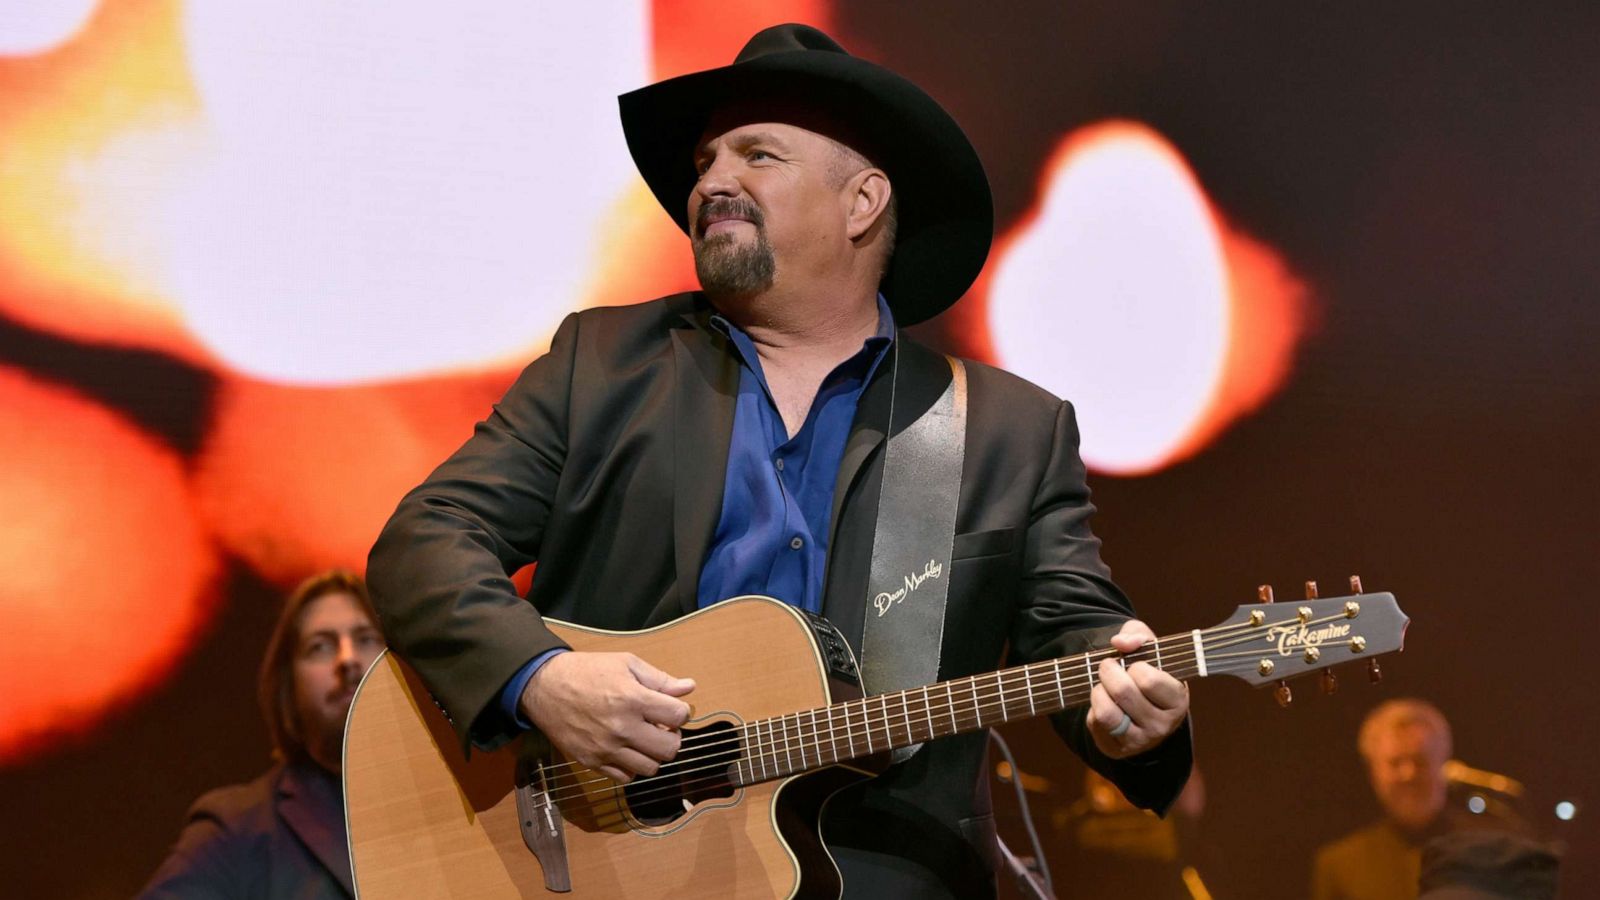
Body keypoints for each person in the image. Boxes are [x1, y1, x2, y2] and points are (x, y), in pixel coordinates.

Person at [367, 23, 1192, 898]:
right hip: (598, 864)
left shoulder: (1004, 430)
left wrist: (1130, 716)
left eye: (757, 155)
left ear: (863, 202)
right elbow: (425, 539)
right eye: (705, 162)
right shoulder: (602, 365)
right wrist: (541, 680)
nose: (712, 181)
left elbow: (1079, 635)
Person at [139, 571, 386, 899]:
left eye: (366, 639)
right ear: (288, 689)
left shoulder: (463, 794)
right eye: (320, 647)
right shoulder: (236, 830)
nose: (348, 659)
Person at [1310, 698, 1517, 900]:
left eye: (1420, 761)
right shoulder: (1341, 866)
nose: (1408, 774)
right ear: (1373, 772)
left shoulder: (1496, 848)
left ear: (1445, 764)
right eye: (1395, 763)